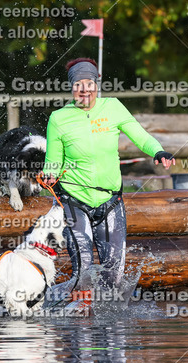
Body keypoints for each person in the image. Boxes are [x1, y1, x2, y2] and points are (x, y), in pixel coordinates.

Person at [42, 58, 175, 291]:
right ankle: (77, 311)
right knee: (83, 274)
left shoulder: (113, 107)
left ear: (96, 84)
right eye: (78, 85)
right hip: (74, 202)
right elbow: (53, 161)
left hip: (110, 202)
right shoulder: (59, 118)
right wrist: (49, 175)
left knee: (113, 277)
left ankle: (108, 314)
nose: (84, 90)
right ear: (71, 88)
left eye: (89, 84)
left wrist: (158, 151)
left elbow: (141, 136)